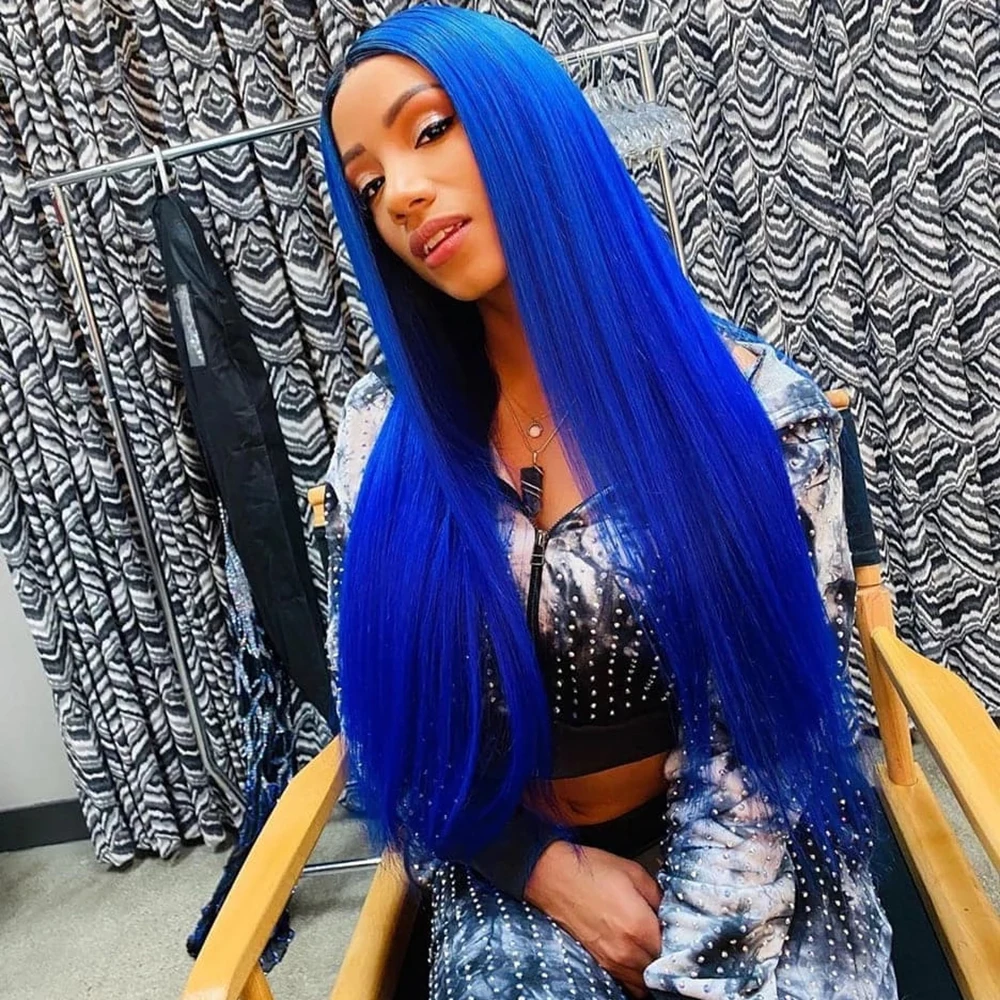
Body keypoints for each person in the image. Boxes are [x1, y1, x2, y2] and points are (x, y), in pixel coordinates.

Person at [318, 6, 898, 998]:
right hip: (514, 862)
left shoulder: (756, 410)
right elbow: (389, 715)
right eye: (369, 184)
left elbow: (759, 749)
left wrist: (696, 966)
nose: (402, 194)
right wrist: (543, 870)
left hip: (758, 839)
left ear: (529, 123)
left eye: (431, 130)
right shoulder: (380, 441)